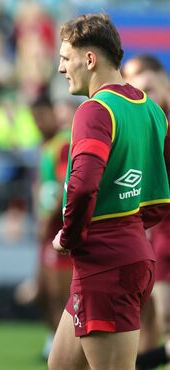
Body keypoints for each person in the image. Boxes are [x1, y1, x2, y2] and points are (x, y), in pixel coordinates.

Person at [49, 14, 170, 370]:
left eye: (64, 58)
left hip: (105, 260)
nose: (59, 68)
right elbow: (160, 193)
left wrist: (69, 237)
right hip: (131, 248)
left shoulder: (94, 110)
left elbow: (83, 186)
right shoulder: (152, 109)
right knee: (60, 366)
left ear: (89, 59)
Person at [123, 55, 170, 370]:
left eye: (149, 88)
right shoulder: (144, 130)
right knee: (163, 320)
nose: (145, 98)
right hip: (161, 240)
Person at [30, 95, 73, 360]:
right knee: (45, 291)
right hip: (48, 227)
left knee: (60, 293)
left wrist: (46, 222)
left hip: (59, 229)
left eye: (41, 116)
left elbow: (60, 187)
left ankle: (67, 347)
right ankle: (54, 340)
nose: (37, 123)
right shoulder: (46, 145)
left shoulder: (64, 143)